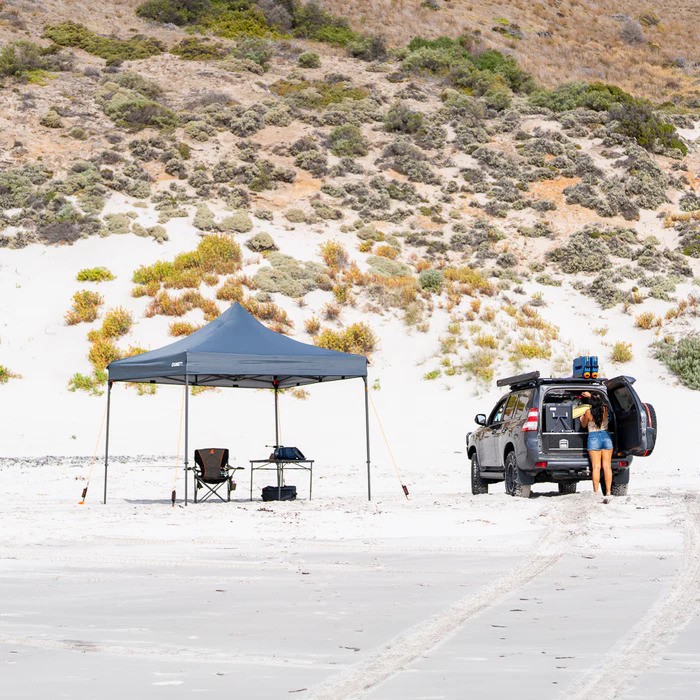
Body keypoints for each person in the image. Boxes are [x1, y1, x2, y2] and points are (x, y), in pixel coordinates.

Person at [580, 391, 613, 503]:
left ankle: (595, 492)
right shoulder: (605, 409)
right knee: (607, 466)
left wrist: (581, 418)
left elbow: (584, 425)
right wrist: (592, 396)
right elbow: (604, 401)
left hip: (594, 438)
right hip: (606, 436)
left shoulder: (588, 412)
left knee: (596, 467)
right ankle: (608, 492)